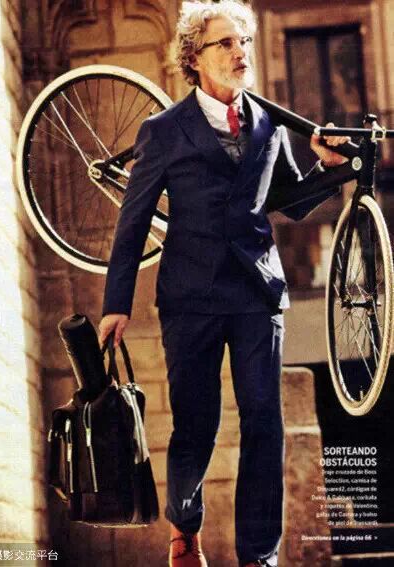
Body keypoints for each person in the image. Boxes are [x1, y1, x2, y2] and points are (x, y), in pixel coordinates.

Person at [98, 1, 349, 565]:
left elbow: (290, 203)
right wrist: (116, 304)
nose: (241, 52)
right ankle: (184, 528)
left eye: (245, 42)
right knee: (197, 422)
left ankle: (258, 554)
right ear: (195, 56)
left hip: (258, 293)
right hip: (191, 296)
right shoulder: (163, 131)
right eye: (227, 43)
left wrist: (327, 171)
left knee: (264, 422)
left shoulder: (268, 122)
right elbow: (133, 221)